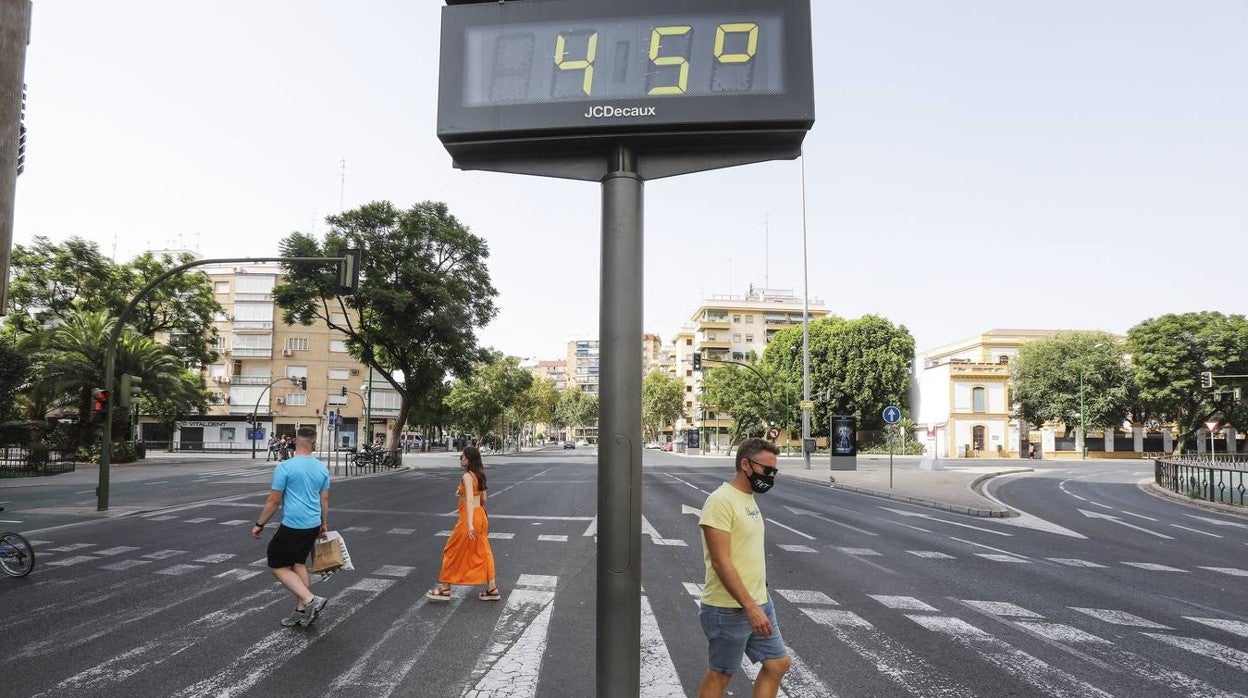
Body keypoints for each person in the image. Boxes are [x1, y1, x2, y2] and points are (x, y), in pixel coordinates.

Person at [696, 437, 791, 698]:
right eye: (766, 470)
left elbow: (745, 550)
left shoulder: (747, 498)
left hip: (759, 600)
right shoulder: (720, 501)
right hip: (729, 608)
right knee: (720, 674)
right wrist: (750, 608)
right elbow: (720, 561)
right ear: (746, 465)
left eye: (775, 471)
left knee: (777, 664)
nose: (771, 476)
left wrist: (761, 587)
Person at [252, 425, 331, 627]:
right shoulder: (322, 468)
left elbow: (273, 502)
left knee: (277, 564)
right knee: (298, 564)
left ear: (295, 441)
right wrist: (323, 524)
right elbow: (325, 500)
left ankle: (312, 600)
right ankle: (301, 611)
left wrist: (259, 524)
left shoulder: (285, 467)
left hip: (293, 524)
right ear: (314, 443)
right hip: (313, 523)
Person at [427, 446, 500, 602]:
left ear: (468, 460)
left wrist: (469, 524)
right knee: (483, 551)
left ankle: (445, 588)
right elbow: (484, 499)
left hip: (470, 516)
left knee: (451, 549)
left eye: (462, 456)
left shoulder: (467, 477)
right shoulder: (480, 475)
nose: (460, 458)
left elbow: (468, 501)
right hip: (481, 515)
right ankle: (492, 588)